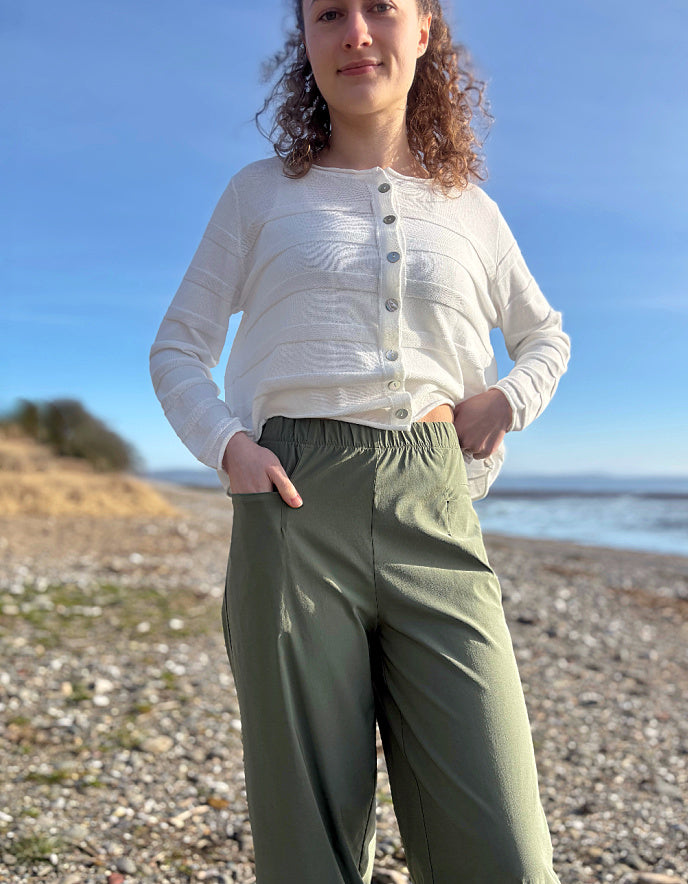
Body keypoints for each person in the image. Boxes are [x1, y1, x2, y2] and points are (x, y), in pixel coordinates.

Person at [150, 0, 570, 881]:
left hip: (436, 504)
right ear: (305, 40)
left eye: (381, 7)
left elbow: (547, 335)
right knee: (309, 845)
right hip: (294, 506)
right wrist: (231, 448)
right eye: (328, 13)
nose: (356, 33)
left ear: (424, 31)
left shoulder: (473, 212)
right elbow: (178, 346)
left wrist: (507, 399)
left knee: (506, 848)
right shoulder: (258, 194)